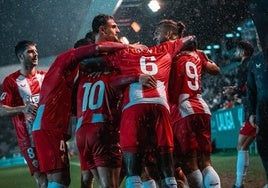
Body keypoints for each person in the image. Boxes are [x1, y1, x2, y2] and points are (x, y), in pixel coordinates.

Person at [32, 39, 137, 188]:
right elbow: (97, 48)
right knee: (59, 180)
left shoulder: (81, 74)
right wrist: (128, 46)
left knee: (75, 179)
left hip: (69, 128)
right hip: (49, 125)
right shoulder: (66, 58)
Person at [168, 26, 221, 187]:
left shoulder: (170, 56)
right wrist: (205, 58)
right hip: (202, 107)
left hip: (183, 110)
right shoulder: (197, 54)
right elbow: (215, 70)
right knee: (205, 161)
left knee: (190, 162)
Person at [0, 40, 47, 187]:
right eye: (31, 52)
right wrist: (22, 108)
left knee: (59, 177)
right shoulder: (11, 81)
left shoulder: (45, 76)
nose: (36, 54)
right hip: (28, 138)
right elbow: (1, 109)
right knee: (43, 180)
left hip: (49, 134)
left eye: (36, 51)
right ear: (21, 56)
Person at [223, 40, 255, 188]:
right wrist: (235, 89)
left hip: (253, 109)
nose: (235, 53)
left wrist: (233, 90)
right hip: (253, 107)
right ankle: (238, 184)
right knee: (244, 146)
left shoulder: (245, 65)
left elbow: (247, 88)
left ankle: (238, 184)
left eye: (237, 50)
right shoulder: (251, 64)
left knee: (242, 146)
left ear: (243, 51)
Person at [246, 34, 268, 188]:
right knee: (263, 145)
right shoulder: (255, 60)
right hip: (262, 110)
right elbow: (251, 89)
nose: (258, 40)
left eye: (261, 36)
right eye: (256, 37)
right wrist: (251, 112)